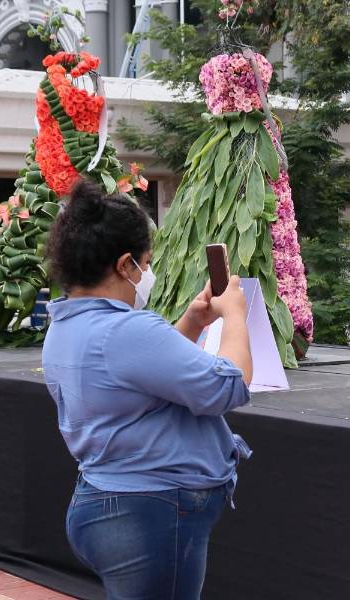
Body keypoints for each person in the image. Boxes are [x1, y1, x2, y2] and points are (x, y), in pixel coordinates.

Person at [42, 181, 254, 599]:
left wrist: (192, 323)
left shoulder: (66, 323)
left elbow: (140, 381)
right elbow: (228, 385)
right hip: (149, 512)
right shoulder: (126, 328)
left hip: (106, 500)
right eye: (145, 262)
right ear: (125, 265)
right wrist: (235, 315)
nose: (147, 273)